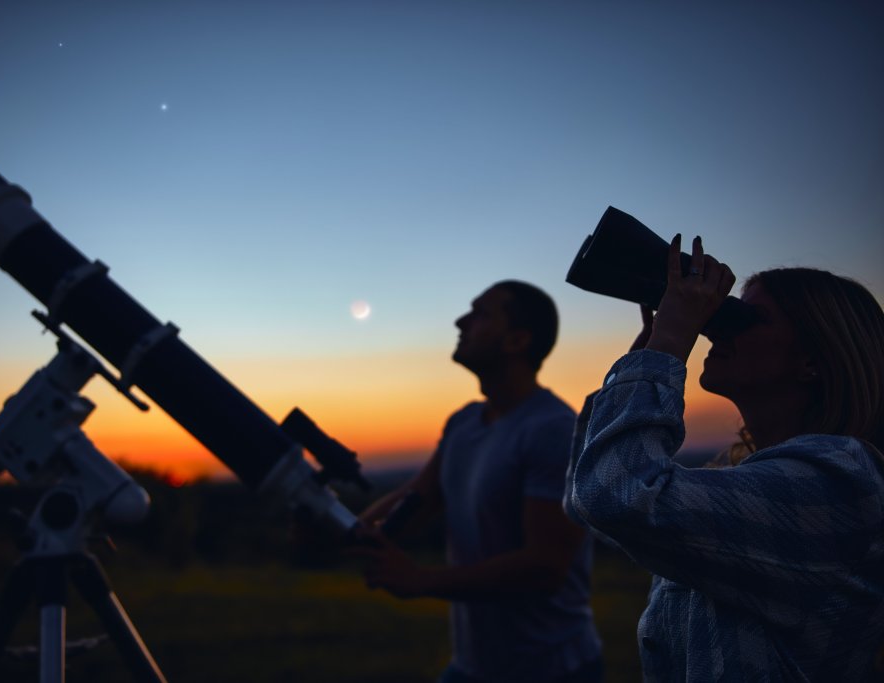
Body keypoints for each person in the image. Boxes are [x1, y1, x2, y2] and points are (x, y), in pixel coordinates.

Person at [565, 234, 884, 681]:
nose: (716, 325)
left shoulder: (839, 483)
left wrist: (671, 340)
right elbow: (589, 501)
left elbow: (616, 496)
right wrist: (648, 350)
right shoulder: (736, 473)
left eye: (748, 317)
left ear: (811, 360)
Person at [352, 280, 603, 683]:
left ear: (517, 340)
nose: (461, 321)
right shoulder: (463, 423)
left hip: (551, 670)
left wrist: (421, 581)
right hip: (472, 669)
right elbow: (416, 499)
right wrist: (343, 529)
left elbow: (544, 568)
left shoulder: (553, 429)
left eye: (481, 313)